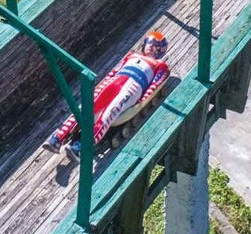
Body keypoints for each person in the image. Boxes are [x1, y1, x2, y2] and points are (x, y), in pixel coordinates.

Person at [44, 31, 170, 160]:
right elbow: (115, 71)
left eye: (156, 46)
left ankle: (81, 146)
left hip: (134, 86)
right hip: (116, 79)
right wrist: (103, 83)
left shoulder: (160, 65)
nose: (151, 47)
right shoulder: (131, 56)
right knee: (88, 105)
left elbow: (155, 84)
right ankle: (58, 137)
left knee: (110, 113)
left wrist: (141, 101)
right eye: (150, 43)